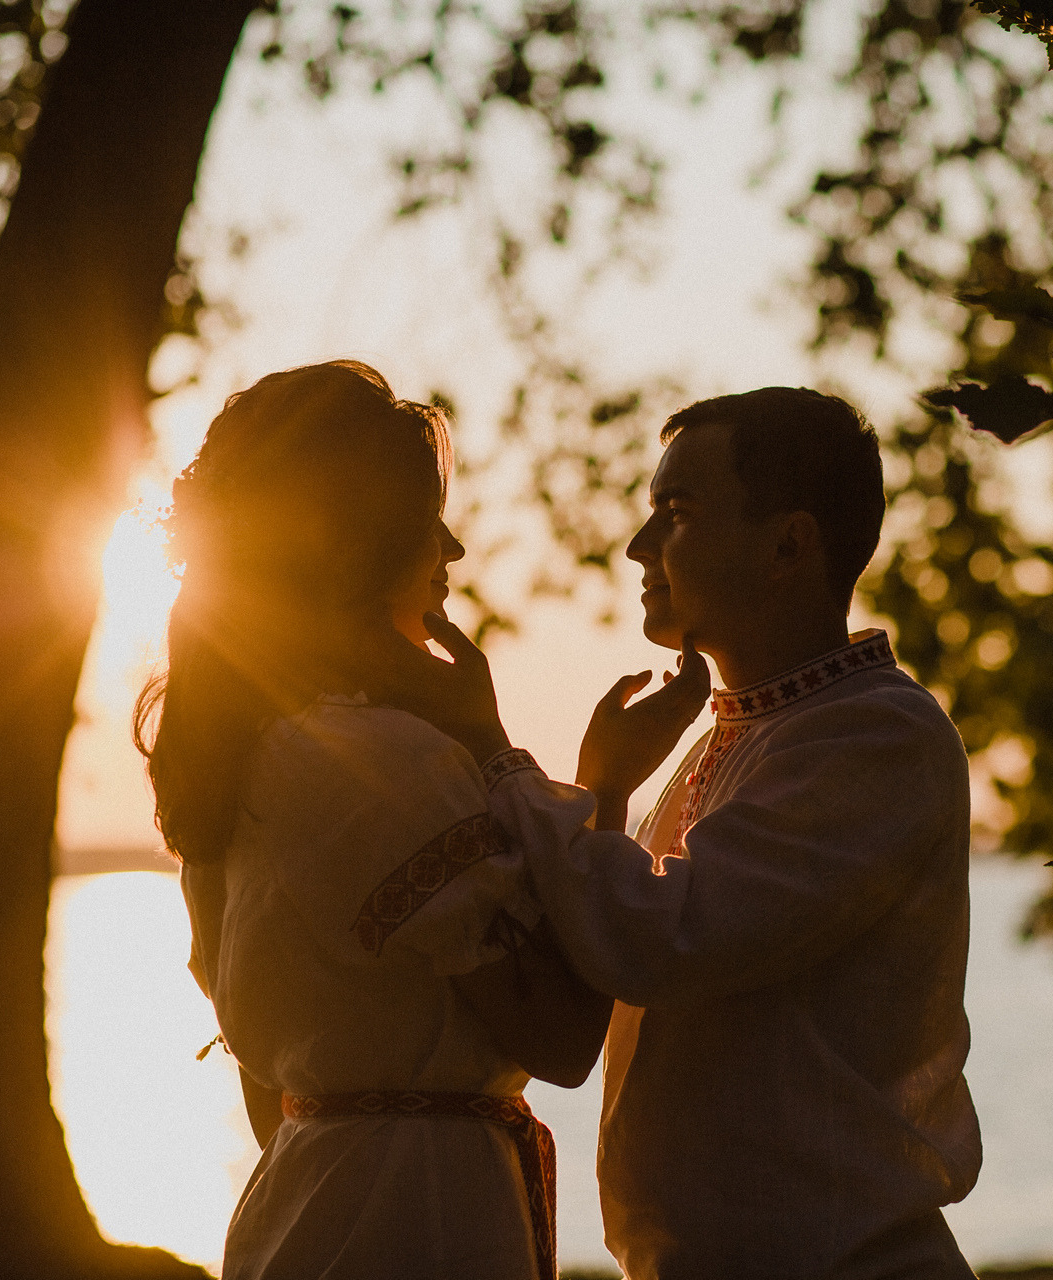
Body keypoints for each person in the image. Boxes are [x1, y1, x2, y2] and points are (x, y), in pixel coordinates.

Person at [390, 387, 982, 1279]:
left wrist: (494, 752)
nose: (637, 545)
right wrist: (607, 789)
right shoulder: (742, 740)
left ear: (790, 544)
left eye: (676, 512)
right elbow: (624, 935)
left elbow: (662, 938)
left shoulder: (876, 736)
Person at [133, 361, 609, 1280]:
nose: (453, 553)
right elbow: (563, 1035)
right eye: (431, 521)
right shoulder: (386, 763)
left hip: (309, 1200)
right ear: (366, 542)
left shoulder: (231, 757)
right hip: (416, 1217)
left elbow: (265, 1087)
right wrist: (530, 757)